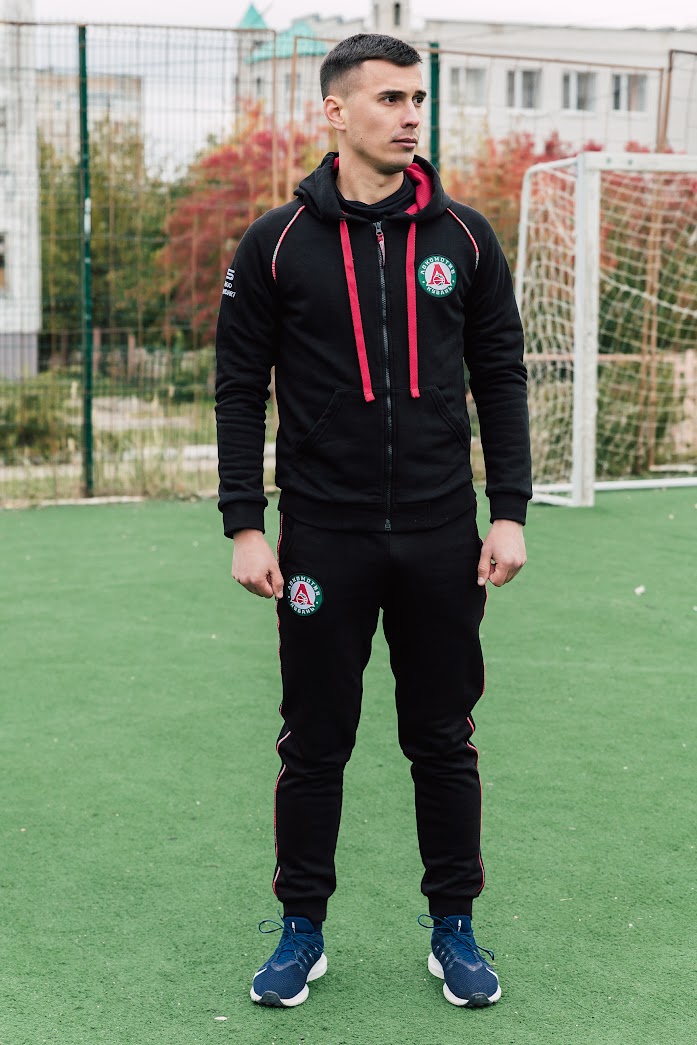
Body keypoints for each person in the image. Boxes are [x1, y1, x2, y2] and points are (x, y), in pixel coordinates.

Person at [215, 33, 531, 1011]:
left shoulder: (464, 238)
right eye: (389, 98)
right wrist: (244, 523)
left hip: (440, 536)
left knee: (442, 737)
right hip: (323, 537)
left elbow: (501, 377)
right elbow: (238, 389)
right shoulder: (275, 242)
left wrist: (508, 512)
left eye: (415, 99)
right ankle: (301, 929)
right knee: (314, 741)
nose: (408, 115)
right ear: (335, 111)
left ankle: (454, 927)